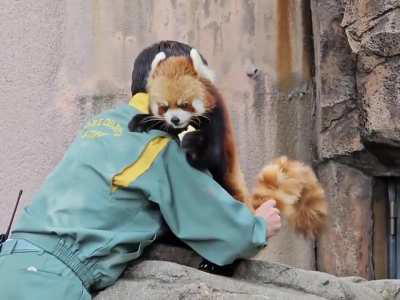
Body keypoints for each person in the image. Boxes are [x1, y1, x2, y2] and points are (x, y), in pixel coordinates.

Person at [0, 41, 281, 300]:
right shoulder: (159, 144)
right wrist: (258, 226)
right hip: (48, 283)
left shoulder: (101, 124)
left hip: (11, 261)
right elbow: (223, 229)